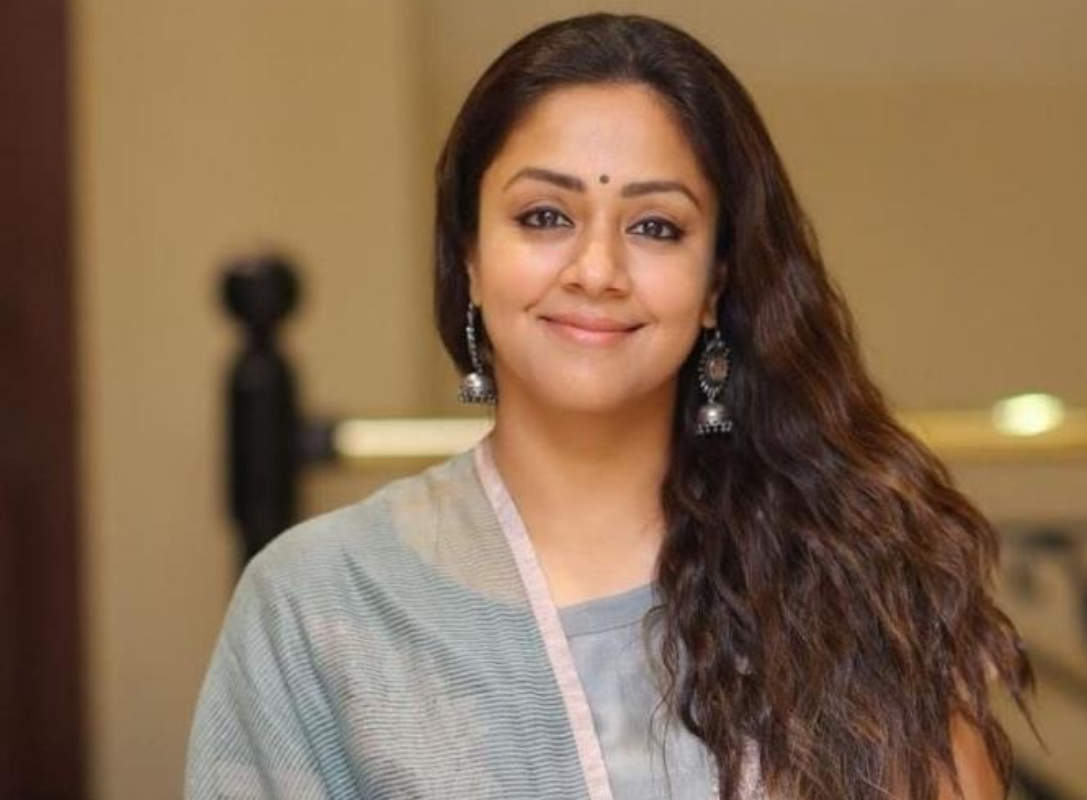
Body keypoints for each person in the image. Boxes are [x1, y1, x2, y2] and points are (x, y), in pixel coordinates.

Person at [186, 13, 1033, 800]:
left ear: (717, 282)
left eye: (655, 226)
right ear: (470, 258)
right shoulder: (321, 604)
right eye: (544, 216)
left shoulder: (849, 580)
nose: (597, 270)